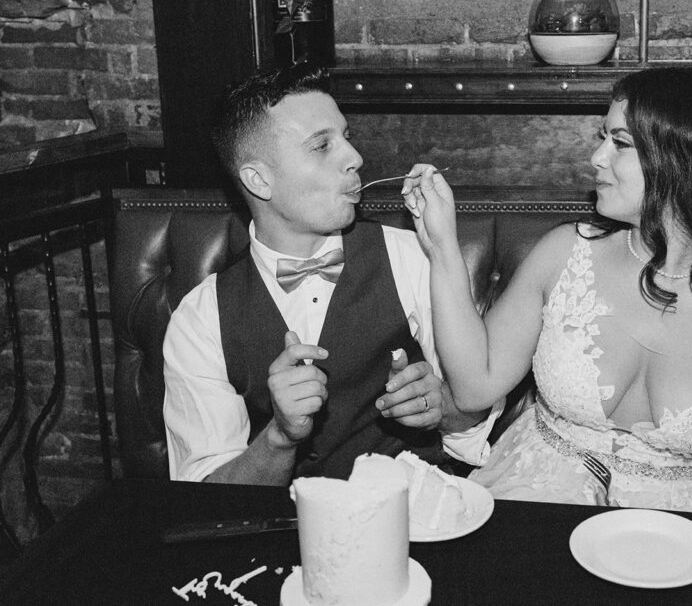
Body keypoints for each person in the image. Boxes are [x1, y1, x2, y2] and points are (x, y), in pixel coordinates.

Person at [402, 66, 692, 604]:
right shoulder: (565, 252)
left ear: (683, 161)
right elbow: (473, 389)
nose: (596, 158)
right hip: (540, 494)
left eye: (619, 143)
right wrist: (443, 247)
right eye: (601, 138)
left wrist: (677, 557)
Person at [162, 66, 497, 486]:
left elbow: (477, 409)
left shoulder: (412, 255)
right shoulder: (199, 319)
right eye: (322, 145)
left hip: (414, 516)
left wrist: (441, 406)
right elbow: (208, 497)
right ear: (258, 179)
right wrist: (280, 438)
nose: (354, 159)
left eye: (346, 137)